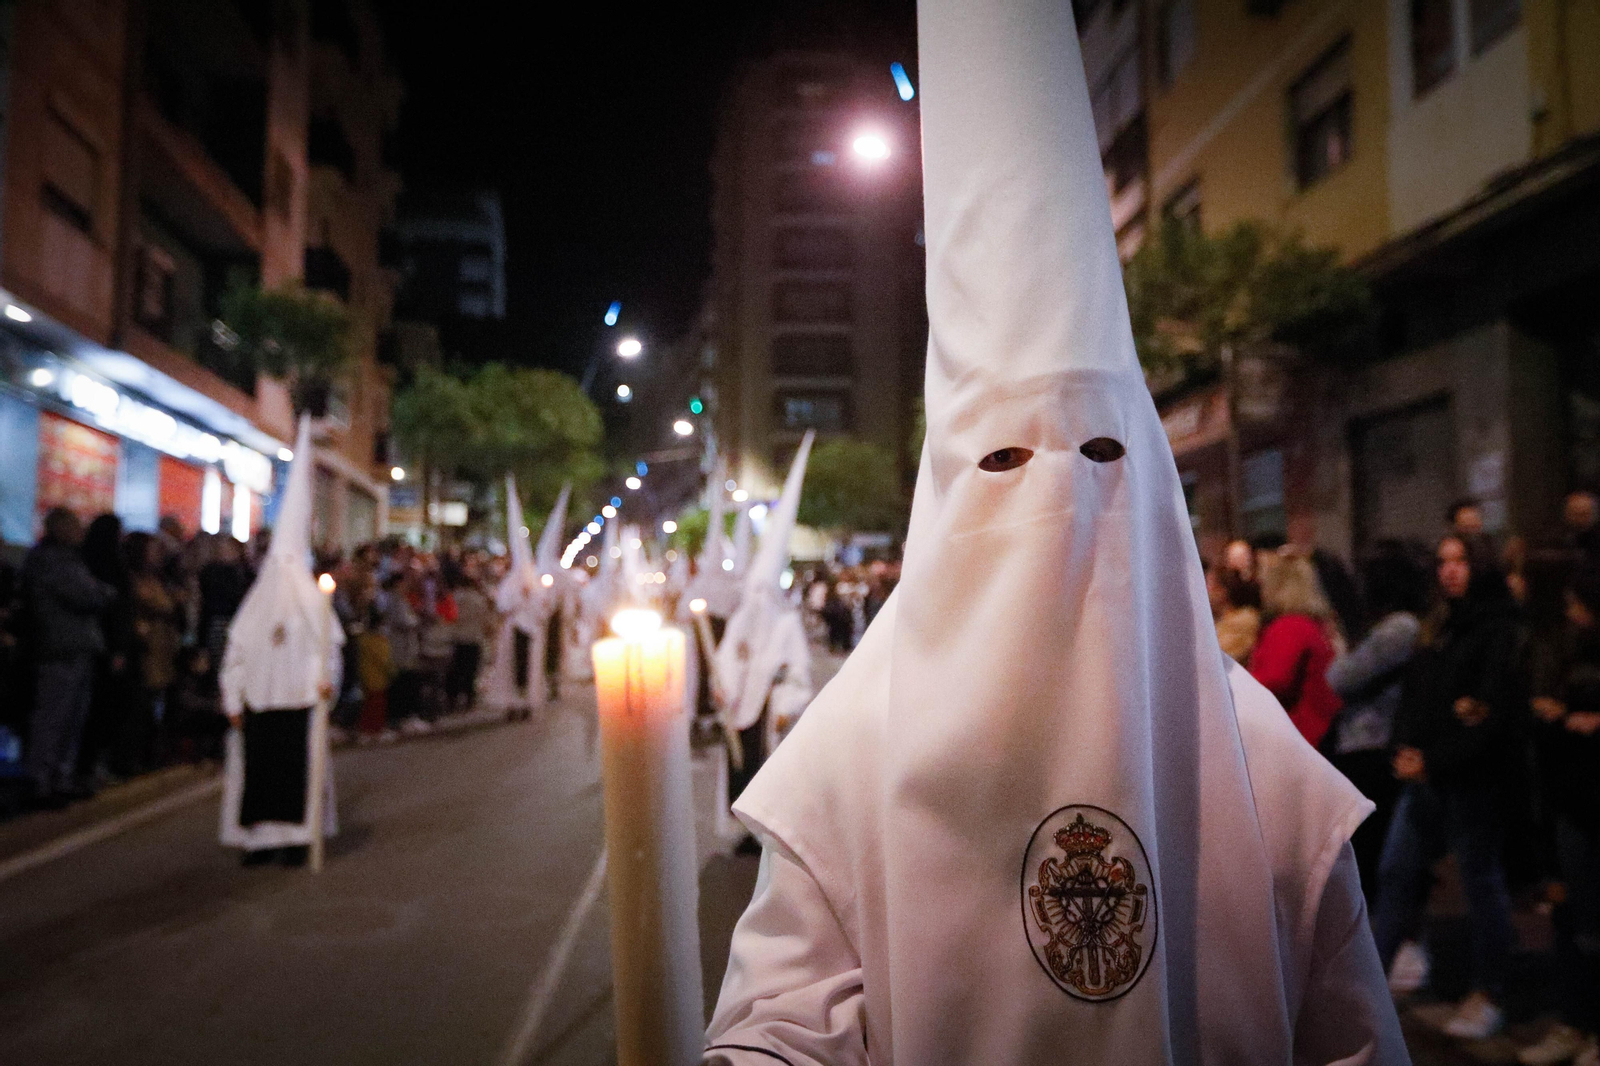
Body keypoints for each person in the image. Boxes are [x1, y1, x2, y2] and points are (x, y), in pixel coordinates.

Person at [703, 2, 1405, 1060]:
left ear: (1152, 485)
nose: (1058, 502)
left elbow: (1352, 1038)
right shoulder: (854, 748)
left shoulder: (1255, 758)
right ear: (944, 501)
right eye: (1001, 462)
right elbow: (782, 1020)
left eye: (1101, 454)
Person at [1369, 534, 1523, 1040]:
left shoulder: (1497, 627)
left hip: (1471, 780)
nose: (1450, 570)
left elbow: (1488, 713)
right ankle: (1367, 990)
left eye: (1461, 561)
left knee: (1480, 883)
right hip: (1424, 778)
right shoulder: (1438, 624)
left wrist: (1433, 757)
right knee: (1396, 874)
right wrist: (1403, 749)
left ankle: (1490, 991)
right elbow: (1417, 697)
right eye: (1444, 561)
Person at [218, 418, 343, 868]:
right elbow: (235, 657)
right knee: (258, 775)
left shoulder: (313, 606)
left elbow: (329, 652)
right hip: (258, 706)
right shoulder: (253, 611)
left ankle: (295, 839)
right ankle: (259, 842)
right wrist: (232, 699)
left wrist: (325, 684)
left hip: (299, 704)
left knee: (297, 774)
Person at [1519, 568, 1600, 1066]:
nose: (1571, 613)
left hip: (1592, 798)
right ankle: (1574, 1022)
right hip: (1569, 794)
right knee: (1570, 913)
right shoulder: (1565, 648)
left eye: (1577, 604)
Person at [712, 432, 815, 808]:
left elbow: (798, 673)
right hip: (740, 708)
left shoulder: (787, 625)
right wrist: (724, 686)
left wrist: (785, 705)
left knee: (767, 779)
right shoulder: (740, 619)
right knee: (740, 775)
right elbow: (726, 657)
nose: (756, 601)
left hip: (770, 714)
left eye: (763, 593)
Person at [1325, 542, 1428, 898]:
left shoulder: (1399, 627)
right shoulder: (1394, 626)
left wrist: (1338, 644)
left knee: (1370, 853)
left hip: (1373, 743)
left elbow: (1340, 677)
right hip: (1367, 742)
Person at [21, 508, 115, 807]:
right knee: (54, 718)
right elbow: (88, 594)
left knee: (71, 719)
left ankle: (59, 779)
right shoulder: (52, 561)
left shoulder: (65, 560)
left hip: (72, 647)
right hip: (60, 648)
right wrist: (103, 592)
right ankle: (41, 782)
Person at [1248, 553, 1344, 749]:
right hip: (1316, 735)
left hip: (1297, 735)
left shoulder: (1289, 626)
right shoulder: (1310, 625)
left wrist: (1238, 684)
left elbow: (1275, 680)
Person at [77, 514, 133, 788]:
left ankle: (89, 766)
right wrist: (119, 647)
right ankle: (87, 767)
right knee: (97, 708)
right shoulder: (107, 566)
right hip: (101, 645)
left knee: (97, 708)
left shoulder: (89, 561)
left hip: (98, 644)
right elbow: (116, 608)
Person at [125, 531, 183, 774]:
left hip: (162, 648)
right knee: (143, 705)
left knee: (157, 703)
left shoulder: (158, 578)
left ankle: (152, 753)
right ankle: (137, 756)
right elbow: (160, 603)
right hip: (148, 649)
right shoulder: (136, 579)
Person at [1206, 560, 1261, 662]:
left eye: (1208, 585)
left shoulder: (1244, 619)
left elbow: (1214, 657)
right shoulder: (1217, 618)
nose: (1204, 591)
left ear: (1223, 591)